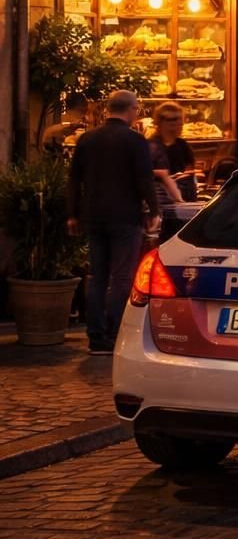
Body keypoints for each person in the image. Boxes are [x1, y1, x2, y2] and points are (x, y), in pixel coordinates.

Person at [67, 90, 160, 355]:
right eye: (136, 109)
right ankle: (113, 332)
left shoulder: (87, 139)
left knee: (97, 276)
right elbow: (144, 179)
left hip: (94, 216)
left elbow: (74, 179)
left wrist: (72, 214)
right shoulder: (134, 141)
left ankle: (95, 336)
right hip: (125, 216)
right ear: (131, 110)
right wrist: (153, 209)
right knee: (121, 277)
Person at [147, 102, 196, 238]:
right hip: (161, 203)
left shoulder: (183, 146)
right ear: (161, 122)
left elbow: (189, 170)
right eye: (173, 120)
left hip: (183, 202)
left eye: (180, 120)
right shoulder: (150, 147)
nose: (179, 124)